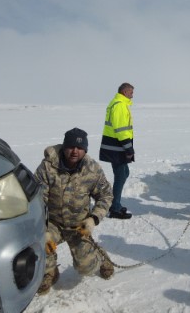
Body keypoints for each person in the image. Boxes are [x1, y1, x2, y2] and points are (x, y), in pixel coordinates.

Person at [34, 128, 114, 295]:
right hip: (53, 223)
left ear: (85, 149)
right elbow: (36, 200)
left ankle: (100, 257)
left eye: (79, 148)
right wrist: (42, 229)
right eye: (71, 146)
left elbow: (106, 195)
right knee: (39, 243)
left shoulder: (92, 169)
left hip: (79, 226)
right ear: (64, 147)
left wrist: (93, 219)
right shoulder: (48, 167)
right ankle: (49, 272)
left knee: (86, 268)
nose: (75, 151)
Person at [99, 82, 135, 219]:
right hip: (117, 147)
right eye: (131, 93)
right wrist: (128, 147)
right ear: (125, 92)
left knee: (124, 173)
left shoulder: (117, 103)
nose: (132, 96)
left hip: (116, 146)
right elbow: (120, 129)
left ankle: (115, 203)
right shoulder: (119, 105)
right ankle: (114, 208)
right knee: (121, 175)